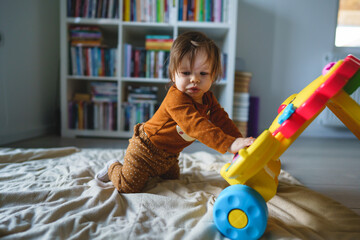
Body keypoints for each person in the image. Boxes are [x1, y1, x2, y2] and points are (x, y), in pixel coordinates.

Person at [96, 31, 255, 193]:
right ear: (173, 74)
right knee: (128, 186)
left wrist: (239, 140)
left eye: (203, 73)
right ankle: (113, 167)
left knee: (171, 180)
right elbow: (197, 126)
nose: (194, 79)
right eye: (186, 73)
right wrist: (229, 144)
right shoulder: (176, 99)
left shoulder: (208, 98)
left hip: (170, 156)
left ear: (213, 76)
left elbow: (222, 120)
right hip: (145, 149)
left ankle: (155, 171)